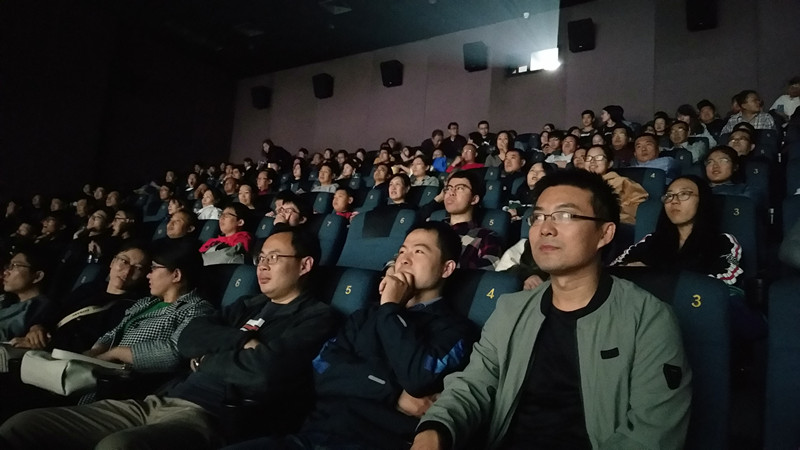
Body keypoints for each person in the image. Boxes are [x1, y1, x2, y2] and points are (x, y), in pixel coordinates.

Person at [411, 170, 692, 450]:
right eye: (538, 217)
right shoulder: (511, 309)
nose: (545, 228)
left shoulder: (648, 319)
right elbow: (473, 385)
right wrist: (435, 430)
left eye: (565, 215)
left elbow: (651, 435)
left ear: (604, 233)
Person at [0, 229, 338, 449]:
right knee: (21, 426)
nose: (262, 266)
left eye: (274, 258)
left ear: (305, 265)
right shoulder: (247, 305)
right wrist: (239, 342)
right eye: (260, 258)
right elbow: (189, 337)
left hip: (210, 416)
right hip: (157, 400)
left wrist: (209, 356)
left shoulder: (316, 317)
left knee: (118, 447)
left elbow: (264, 373)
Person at [228, 222, 478, 450]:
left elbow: (418, 379)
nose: (404, 259)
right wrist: (392, 392)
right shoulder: (366, 315)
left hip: (377, 441)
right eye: (402, 251)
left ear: (446, 268)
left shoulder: (456, 329)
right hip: (313, 435)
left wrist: (390, 308)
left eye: (419, 251)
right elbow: (322, 369)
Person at [9, 243, 150, 353]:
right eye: (124, 261)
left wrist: (46, 344)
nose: (127, 271)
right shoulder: (91, 288)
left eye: (138, 268)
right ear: (113, 262)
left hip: (61, 355)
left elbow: (90, 342)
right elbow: (57, 310)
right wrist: (37, 327)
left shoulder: (131, 306)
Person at [612, 175, 743, 285]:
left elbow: (721, 285)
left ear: (702, 200)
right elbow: (615, 269)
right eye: (669, 195)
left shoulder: (723, 242)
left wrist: (650, 274)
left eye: (684, 194)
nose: (674, 201)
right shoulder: (653, 239)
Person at [440, 171, 502, 269]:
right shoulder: (432, 229)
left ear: (474, 199)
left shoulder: (486, 237)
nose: (451, 193)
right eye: (449, 188)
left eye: (460, 188)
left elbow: (486, 274)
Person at [584, 145, 648, 225]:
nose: (592, 161)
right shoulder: (578, 184)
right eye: (588, 158)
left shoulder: (621, 181)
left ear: (609, 164)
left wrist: (616, 211)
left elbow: (640, 205)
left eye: (598, 157)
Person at [0, 247, 52, 341]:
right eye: (8, 266)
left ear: (37, 276)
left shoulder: (39, 306)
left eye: (14, 266)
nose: (5, 272)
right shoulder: (7, 301)